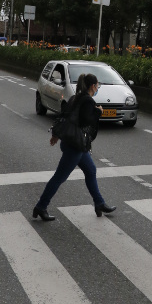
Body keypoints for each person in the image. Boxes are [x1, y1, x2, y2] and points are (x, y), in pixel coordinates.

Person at [32, 72, 116, 222]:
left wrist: (56, 134)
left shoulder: (74, 98)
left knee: (91, 170)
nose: (98, 88)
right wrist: (98, 112)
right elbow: (85, 121)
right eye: (98, 85)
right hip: (75, 145)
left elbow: (64, 116)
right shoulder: (88, 101)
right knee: (59, 177)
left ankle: (99, 203)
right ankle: (41, 206)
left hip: (71, 142)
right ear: (93, 86)